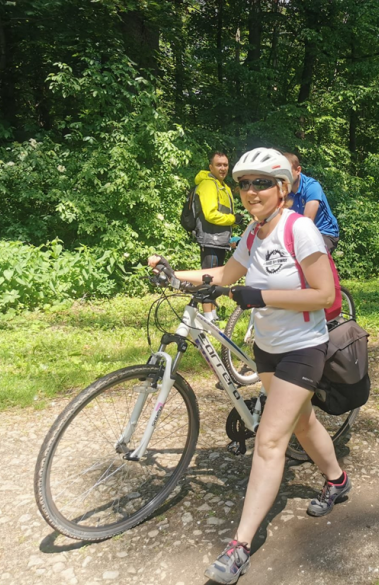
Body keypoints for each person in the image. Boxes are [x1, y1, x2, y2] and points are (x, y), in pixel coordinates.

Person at [149, 148, 350, 585]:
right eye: (244, 183)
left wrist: (262, 296)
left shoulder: (301, 231)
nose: (251, 191)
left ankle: (238, 546)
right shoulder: (254, 233)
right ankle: (337, 480)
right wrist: (173, 274)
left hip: (303, 346)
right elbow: (224, 274)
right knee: (301, 422)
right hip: (268, 346)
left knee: (269, 439)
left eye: (261, 182)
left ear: (282, 188)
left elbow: (323, 294)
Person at [193, 151, 244, 321]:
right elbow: (210, 214)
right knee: (208, 277)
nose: (222, 168)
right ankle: (208, 316)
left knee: (217, 278)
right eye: (218, 165)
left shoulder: (224, 186)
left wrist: (234, 222)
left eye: (225, 165)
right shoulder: (208, 185)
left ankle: (212, 313)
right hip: (210, 238)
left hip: (220, 239)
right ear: (211, 167)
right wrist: (233, 219)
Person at [283, 153, 340, 253]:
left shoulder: (311, 187)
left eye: (288, 172)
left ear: (298, 170)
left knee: (309, 256)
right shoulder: (283, 189)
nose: (285, 177)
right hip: (299, 232)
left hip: (325, 233)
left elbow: (307, 222)